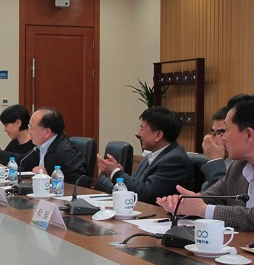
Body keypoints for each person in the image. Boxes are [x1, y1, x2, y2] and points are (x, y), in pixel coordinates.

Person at [157, 94, 254, 231]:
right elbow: (211, 198)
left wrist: (203, 209)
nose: (223, 138)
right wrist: (184, 203)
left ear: (249, 135)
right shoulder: (238, 166)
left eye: (226, 130)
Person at [97, 106, 193, 204]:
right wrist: (120, 174)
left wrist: (115, 172)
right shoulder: (152, 155)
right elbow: (137, 185)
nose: (139, 134)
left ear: (158, 135)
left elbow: (146, 195)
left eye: (142, 129)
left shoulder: (175, 160)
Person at [0, 107, 86, 183]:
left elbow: (81, 183)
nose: (29, 132)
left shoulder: (65, 151)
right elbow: (22, 160)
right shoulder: (42, 146)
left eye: (31, 128)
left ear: (47, 132)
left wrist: (50, 177)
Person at [200, 104, 231, 191]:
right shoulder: (225, 161)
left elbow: (225, 196)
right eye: (214, 133)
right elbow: (211, 195)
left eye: (222, 132)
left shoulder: (245, 164)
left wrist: (216, 160)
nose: (216, 140)